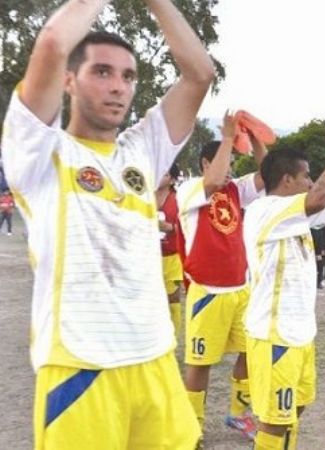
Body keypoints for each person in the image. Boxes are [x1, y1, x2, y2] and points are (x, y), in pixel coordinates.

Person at [0, 0, 214, 447]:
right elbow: (55, 42)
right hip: (81, 366)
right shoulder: (41, 152)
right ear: (68, 81)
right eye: (102, 72)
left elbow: (199, 75)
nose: (118, 87)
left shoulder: (143, 150)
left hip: (154, 356)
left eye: (128, 76)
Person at [243, 112, 325, 450]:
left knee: (296, 407)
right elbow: (320, 195)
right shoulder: (263, 211)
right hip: (274, 335)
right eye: (306, 175)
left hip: (301, 334)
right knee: (274, 423)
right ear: (286, 180)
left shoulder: (297, 213)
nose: (312, 181)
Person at [175, 111, 267, 440]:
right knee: (200, 363)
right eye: (224, 162)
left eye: (230, 163)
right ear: (204, 164)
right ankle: (193, 423)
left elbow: (268, 177)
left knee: (249, 352)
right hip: (207, 293)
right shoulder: (190, 190)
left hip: (241, 289)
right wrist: (228, 137)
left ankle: (238, 413)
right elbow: (213, 181)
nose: (229, 169)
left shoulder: (236, 190)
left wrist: (255, 140)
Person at [157, 163, 183, 339]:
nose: (160, 177)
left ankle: (172, 336)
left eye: (165, 174)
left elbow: (186, 225)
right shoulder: (143, 196)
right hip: (149, 256)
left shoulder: (178, 199)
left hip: (172, 255)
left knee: (172, 297)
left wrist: (170, 227)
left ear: (172, 179)